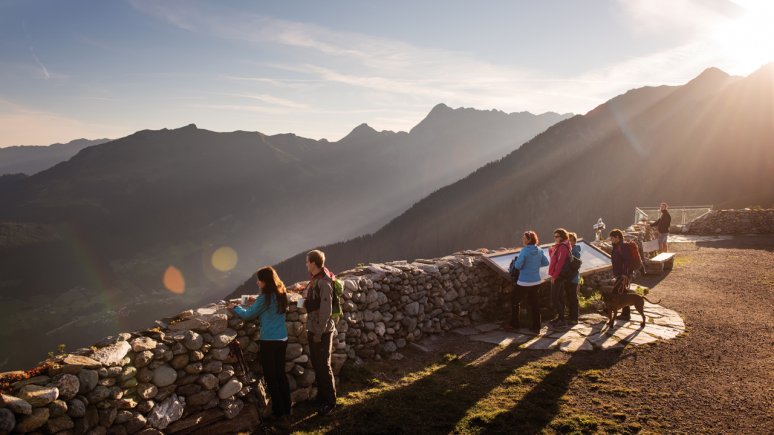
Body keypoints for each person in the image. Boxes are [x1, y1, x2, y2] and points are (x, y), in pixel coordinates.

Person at [228, 267, 292, 429]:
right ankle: (287, 408)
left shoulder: (265, 298)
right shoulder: (280, 292)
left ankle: (279, 413)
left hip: (269, 341)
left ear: (265, 281)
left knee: (271, 378)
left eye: (259, 279)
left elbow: (248, 315)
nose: (257, 282)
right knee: (281, 375)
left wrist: (235, 308)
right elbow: (266, 306)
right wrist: (255, 300)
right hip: (282, 338)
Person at [301, 249, 337, 416]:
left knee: (324, 366)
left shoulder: (324, 282)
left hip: (321, 331)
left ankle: (330, 402)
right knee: (317, 365)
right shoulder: (316, 280)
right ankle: (322, 397)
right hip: (313, 329)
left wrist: (318, 333)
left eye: (307, 261)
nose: (306, 264)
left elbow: (326, 311)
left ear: (314, 263)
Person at [508, 231, 549, 333]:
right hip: (536, 281)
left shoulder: (524, 251)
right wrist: (534, 266)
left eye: (524, 237)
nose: (522, 239)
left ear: (529, 240)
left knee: (514, 300)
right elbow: (546, 262)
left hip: (524, 282)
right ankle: (536, 327)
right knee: (534, 303)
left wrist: (517, 262)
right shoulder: (539, 250)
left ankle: (515, 324)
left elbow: (518, 266)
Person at [548, 228, 572, 326]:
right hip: (561, 275)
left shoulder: (562, 247)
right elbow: (554, 259)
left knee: (554, 297)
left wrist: (554, 276)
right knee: (560, 297)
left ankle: (561, 319)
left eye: (557, 236)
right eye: (554, 236)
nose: (555, 238)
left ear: (562, 237)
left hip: (558, 275)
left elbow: (560, 264)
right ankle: (561, 317)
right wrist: (551, 250)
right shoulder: (562, 246)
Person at [609, 229, 632, 321]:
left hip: (623, 275)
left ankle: (610, 311)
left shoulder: (623, 247)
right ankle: (625, 314)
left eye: (612, 238)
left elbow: (627, 261)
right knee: (623, 293)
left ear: (617, 237)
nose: (611, 240)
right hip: (620, 274)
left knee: (616, 293)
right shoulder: (618, 246)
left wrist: (625, 274)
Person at [566, 232, 581, 324]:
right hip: (570, 277)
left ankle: (574, 318)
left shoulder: (575, 251)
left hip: (573, 278)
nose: (569, 242)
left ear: (574, 241)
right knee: (570, 297)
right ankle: (571, 315)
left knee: (573, 297)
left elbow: (574, 265)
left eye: (571, 240)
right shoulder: (570, 250)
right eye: (568, 240)